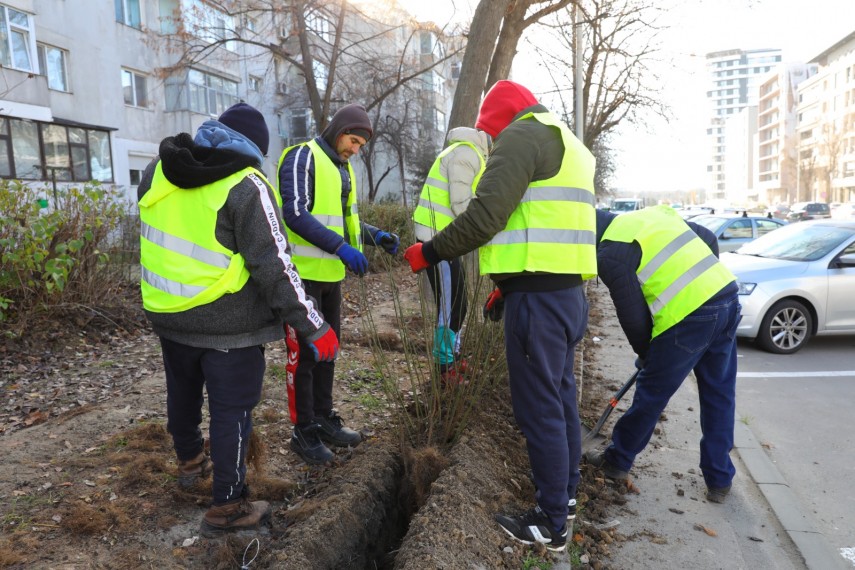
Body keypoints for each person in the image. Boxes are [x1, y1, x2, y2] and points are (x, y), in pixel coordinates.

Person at [403, 80, 597, 552]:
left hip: (539, 302)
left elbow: (486, 216)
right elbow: (538, 221)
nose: (491, 144)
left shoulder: (521, 135)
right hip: (566, 292)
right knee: (561, 399)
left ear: (499, 123)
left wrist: (428, 252)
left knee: (539, 410)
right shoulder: (569, 143)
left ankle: (551, 523)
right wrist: (505, 285)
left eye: (491, 135)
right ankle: (565, 499)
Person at [138, 102, 339, 537]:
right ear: (255, 148)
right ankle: (227, 507)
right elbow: (275, 265)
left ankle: (190, 463)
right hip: (229, 321)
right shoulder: (247, 184)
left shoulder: (157, 171)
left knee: (183, 392)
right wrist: (313, 325)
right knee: (232, 412)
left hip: (169, 311)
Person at [586, 205, 741, 504]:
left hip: (690, 317)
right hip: (726, 295)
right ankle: (720, 479)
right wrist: (705, 284)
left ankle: (617, 460)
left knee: (651, 393)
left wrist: (647, 356)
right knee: (719, 393)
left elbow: (633, 318)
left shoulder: (610, 253)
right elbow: (706, 236)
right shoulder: (651, 215)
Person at [277, 103, 399, 465]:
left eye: (361, 145)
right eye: (353, 140)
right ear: (338, 129)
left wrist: (373, 236)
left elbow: (343, 220)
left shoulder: (342, 168)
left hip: (330, 276)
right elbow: (295, 213)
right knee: (305, 356)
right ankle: (303, 432)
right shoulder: (303, 157)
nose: (355, 149)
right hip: (302, 277)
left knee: (328, 350)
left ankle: (324, 418)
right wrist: (340, 247)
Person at [412, 126, 489, 384]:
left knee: (460, 303)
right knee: (451, 305)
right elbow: (461, 204)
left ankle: (453, 357)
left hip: (446, 239)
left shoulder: (470, 153)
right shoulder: (466, 153)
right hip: (436, 239)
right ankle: (444, 369)